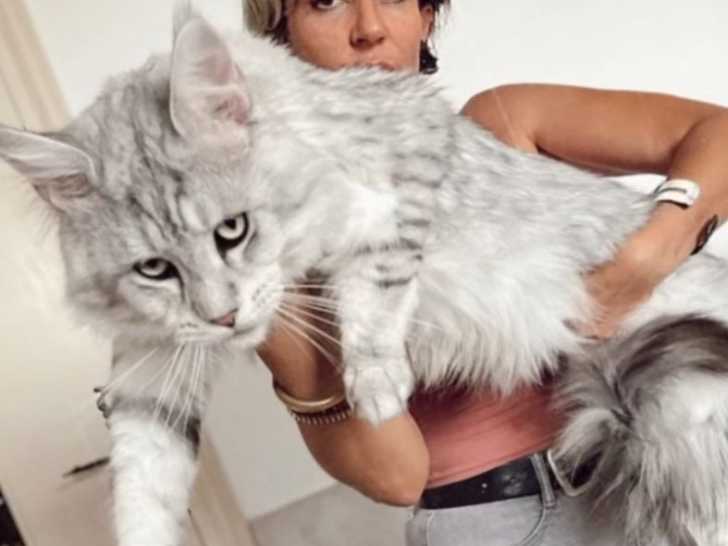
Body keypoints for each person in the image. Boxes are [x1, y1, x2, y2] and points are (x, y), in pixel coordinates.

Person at [246, 1, 728, 544]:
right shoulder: (283, 246)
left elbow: (720, 136)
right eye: (325, 2)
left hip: (685, 458)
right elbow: (397, 479)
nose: (370, 28)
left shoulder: (502, 122)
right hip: (501, 522)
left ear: (427, 17)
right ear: (279, 39)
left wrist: (639, 264)